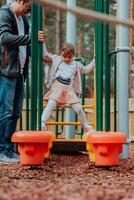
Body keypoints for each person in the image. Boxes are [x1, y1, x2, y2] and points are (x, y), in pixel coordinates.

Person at [0, 0, 45, 163]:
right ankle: (2, 150)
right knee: (5, 111)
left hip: (19, 71)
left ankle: (9, 149)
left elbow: (26, 45)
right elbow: (4, 37)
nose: (29, 10)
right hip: (6, 70)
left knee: (16, 112)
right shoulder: (5, 13)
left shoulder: (23, 20)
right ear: (19, 1)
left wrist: (42, 54)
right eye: (28, 6)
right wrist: (30, 38)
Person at [41, 42, 95, 133]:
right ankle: (42, 122)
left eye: (69, 57)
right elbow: (45, 55)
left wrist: (94, 61)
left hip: (69, 91)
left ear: (73, 55)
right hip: (56, 89)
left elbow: (86, 69)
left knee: (78, 109)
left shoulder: (76, 64)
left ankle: (85, 126)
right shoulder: (56, 59)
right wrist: (43, 43)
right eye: (64, 56)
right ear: (61, 53)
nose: (66, 59)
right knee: (50, 105)